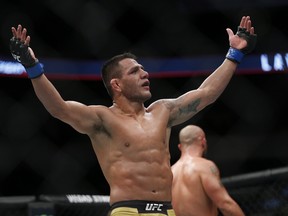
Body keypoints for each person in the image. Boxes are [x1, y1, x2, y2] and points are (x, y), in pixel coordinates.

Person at [9, 16, 256, 216]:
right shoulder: (102, 119)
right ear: (116, 85)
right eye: (135, 71)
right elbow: (59, 108)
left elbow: (207, 93)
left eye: (144, 69)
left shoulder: (163, 111)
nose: (145, 74)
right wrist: (32, 67)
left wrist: (234, 55)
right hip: (129, 211)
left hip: (167, 212)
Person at [171, 125, 245, 216]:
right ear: (203, 141)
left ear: (180, 146)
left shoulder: (170, 172)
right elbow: (225, 204)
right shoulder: (204, 166)